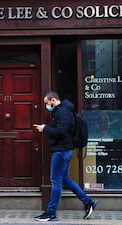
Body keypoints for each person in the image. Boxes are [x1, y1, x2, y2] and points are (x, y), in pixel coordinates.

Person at [33, 91, 97, 222]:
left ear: (53, 100)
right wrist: (46, 127)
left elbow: (61, 131)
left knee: (56, 180)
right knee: (65, 179)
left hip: (61, 152)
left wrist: (45, 129)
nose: (47, 106)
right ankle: (88, 202)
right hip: (64, 150)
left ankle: (51, 213)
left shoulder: (63, 112)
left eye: (47, 103)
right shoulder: (63, 111)